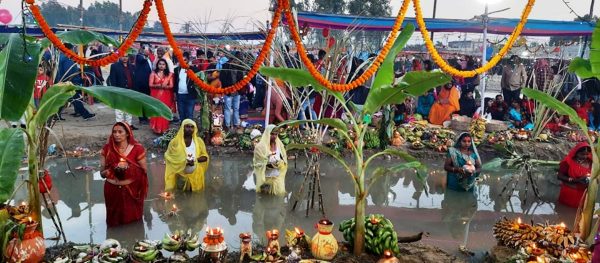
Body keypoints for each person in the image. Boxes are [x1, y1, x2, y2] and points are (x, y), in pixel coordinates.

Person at [99, 122, 148, 227]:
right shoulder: (107, 149)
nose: (116, 134)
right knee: (113, 220)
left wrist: (129, 169)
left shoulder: (137, 149)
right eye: (114, 132)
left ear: (127, 134)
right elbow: (101, 173)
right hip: (112, 190)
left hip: (131, 190)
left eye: (120, 132)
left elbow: (144, 171)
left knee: (133, 220)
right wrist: (108, 172)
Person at [164, 119, 209, 192]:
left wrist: (195, 160)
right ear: (182, 128)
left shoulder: (198, 142)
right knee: (179, 196)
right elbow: (168, 157)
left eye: (192, 127)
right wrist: (183, 162)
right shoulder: (175, 142)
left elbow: (205, 157)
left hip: (195, 175)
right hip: (179, 175)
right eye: (187, 127)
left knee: (194, 197)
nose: (190, 129)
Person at [253, 125, 287, 196]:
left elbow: (284, 160)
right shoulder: (260, 147)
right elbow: (257, 164)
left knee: (278, 201)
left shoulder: (279, 145)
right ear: (267, 133)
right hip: (265, 180)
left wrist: (280, 164)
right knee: (264, 201)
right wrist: (268, 164)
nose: (274, 136)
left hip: (277, 179)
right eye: (272, 134)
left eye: (276, 134)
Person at [557, 143, 592, 208]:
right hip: (569, 192)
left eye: (587, 154)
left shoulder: (591, 162)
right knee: (564, 210)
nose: (585, 156)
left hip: (583, 194)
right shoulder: (568, 161)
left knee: (579, 213)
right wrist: (576, 180)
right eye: (582, 154)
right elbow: (559, 176)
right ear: (576, 152)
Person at [108, 55, 137, 129]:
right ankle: (120, 125)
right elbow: (112, 80)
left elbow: (133, 78)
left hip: (130, 90)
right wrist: (114, 91)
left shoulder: (132, 66)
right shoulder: (114, 66)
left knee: (129, 109)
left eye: (126, 56)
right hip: (119, 91)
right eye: (123, 56)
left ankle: (129, 125)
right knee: (119, 110)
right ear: (119, 57)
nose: (125, 58)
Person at [149, 59, 174, 134]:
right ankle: (156, 129)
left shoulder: (168, 75)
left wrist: (164, 86)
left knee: (164, 110)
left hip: (166, 95)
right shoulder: (153, 73)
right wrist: (159, 85)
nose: (161, 66)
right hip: (156, 96)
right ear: (157, 65)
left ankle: (164, 128)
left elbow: (171, 85)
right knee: (156, 110)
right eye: (160, 64)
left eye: (163, 64)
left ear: (166, 66)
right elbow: (150, 84)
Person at [174, 52, 199, 122]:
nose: (182, 62)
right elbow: (175, 82)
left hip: (190, 95)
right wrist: (175, 93)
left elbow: (199, 81)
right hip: (180, 95)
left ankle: (189, 131)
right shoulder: (176, 70)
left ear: (188, 60)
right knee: (181, 114)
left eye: (184, 60)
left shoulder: (194, 70)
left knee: (189, 114)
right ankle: (182, 129)